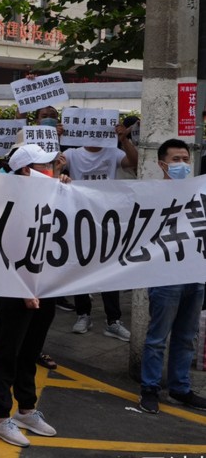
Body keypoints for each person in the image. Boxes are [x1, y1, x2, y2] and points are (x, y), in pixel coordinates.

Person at [0, 144, 63, 447]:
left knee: (31, 351)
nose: (52, 169)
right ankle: (0, 418)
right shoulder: (8, 201)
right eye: (45, 166)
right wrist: (23, 288)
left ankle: (26, 409)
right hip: (16, 289)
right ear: (27, 171)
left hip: (46, 287)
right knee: (7, 352)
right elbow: (2, 251)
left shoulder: (53, 194)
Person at [138, 139, 206, 414]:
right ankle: (149, 389)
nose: (182, 165)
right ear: (162, 164)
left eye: (185, 159)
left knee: (187, 336)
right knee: (157, 337)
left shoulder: (199, 192)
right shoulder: (150, 195)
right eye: (176, 160)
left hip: (195, 273)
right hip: (166, 275)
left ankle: (180, 388)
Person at [62, 120, 138, 341]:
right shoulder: (72, 154)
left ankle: (113, 320)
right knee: (80, 267)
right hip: (79, 218)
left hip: (107, 219)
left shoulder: (113, 152)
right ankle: (83, 314)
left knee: (108, 269)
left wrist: (124, 139)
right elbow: (52, 166)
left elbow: (134, 162)